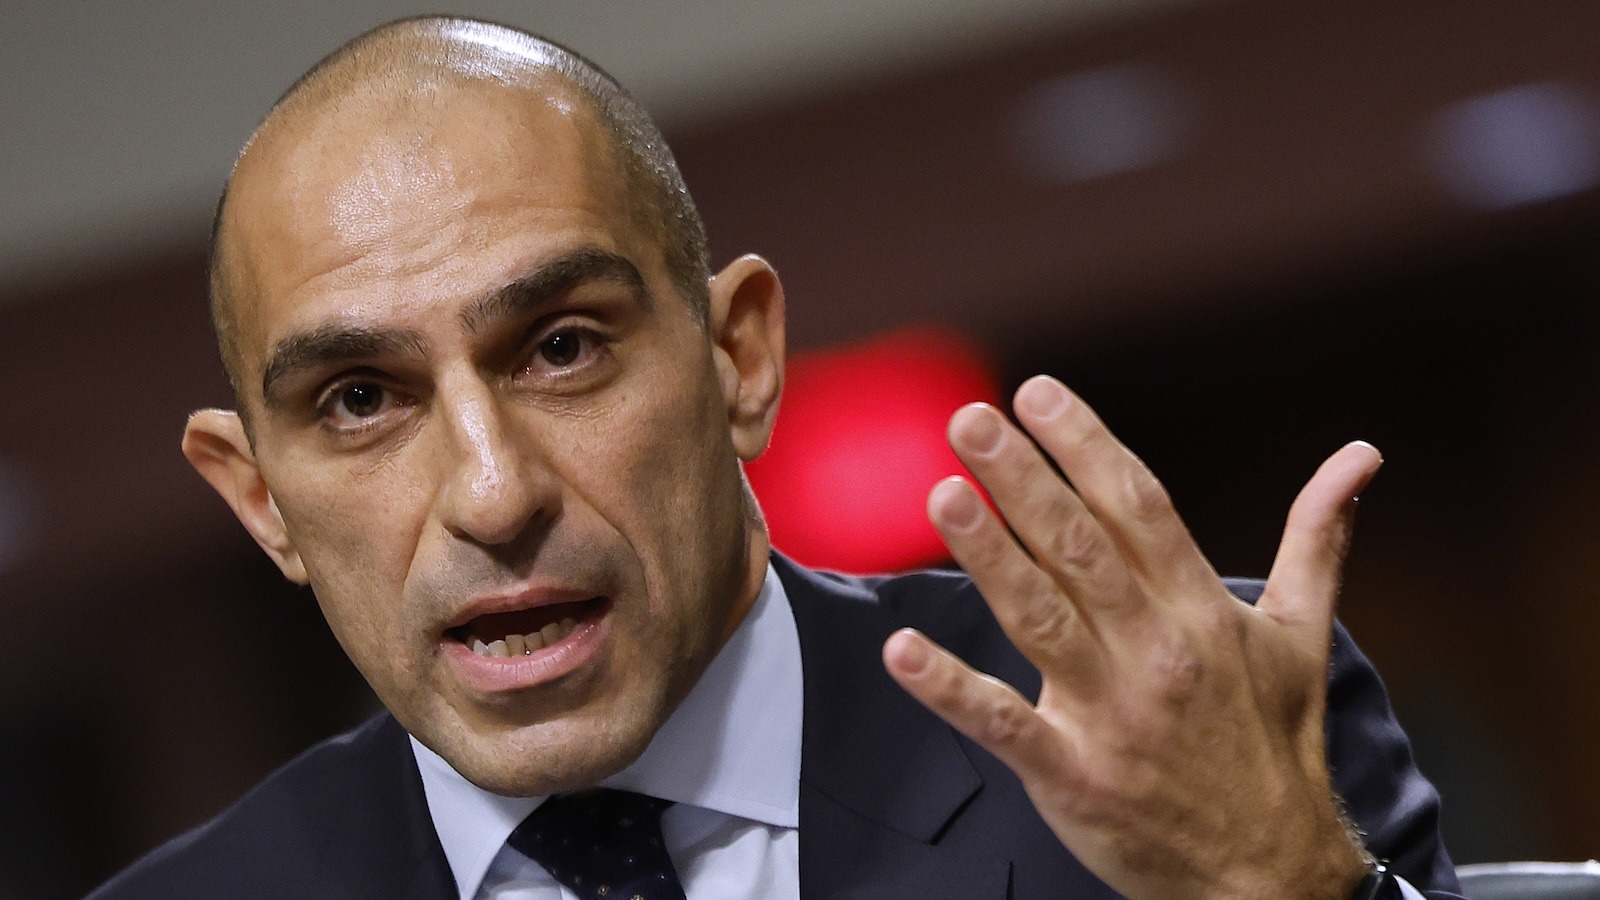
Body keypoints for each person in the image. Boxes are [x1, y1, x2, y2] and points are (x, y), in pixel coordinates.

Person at [89, 15, 1463, 900]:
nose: (494, 495)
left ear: (739, 358)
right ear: (260, 500)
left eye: (561, 348)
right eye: (357, 400)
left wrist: (1289, 886)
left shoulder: (1194, 726)